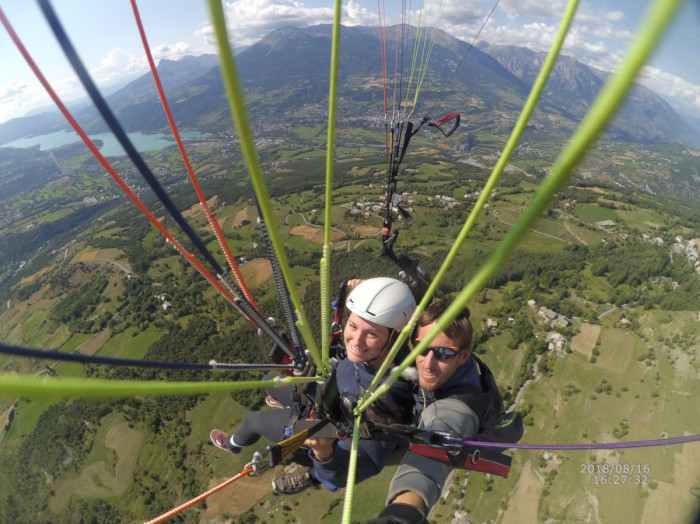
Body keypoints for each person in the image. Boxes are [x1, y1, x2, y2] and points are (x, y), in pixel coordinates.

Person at [210, 277, 417, 494]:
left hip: (326, 429)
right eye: (353, 325)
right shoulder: (386, 353)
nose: (356, 340)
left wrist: (324, 451)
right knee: (267, 381)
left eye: (371, 334)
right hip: (326, 395)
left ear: (392, 338)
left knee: (252, 421)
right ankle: (284, 402)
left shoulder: (384, 401)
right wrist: (361, 292)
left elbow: (353, 469)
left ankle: (233, 444)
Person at [367, 298, 495, 524]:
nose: (427, 362)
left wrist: (402, 515)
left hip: (439, 429)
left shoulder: (460, 406)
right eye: (421, 348)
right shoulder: (437, 362)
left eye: (443, 353)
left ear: (464, 355)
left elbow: (435, 443)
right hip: (417, 409)